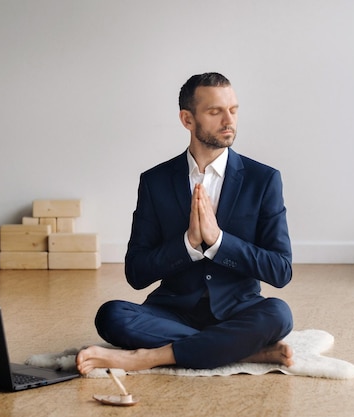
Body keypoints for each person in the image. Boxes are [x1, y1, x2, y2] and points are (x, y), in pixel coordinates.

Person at [76, 72, 294, 375]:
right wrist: (188, 244)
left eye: (233, 109)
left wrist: (218, 241)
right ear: (187, 119)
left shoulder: (264, 180)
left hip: (238, 310)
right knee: (111, 315)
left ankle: (151, 357)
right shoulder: (155, 181)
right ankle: (242, 351)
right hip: (172, 312)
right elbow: (136, 273)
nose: (228, 120)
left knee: (280, 314)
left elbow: (281, 270)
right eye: (215, 111)